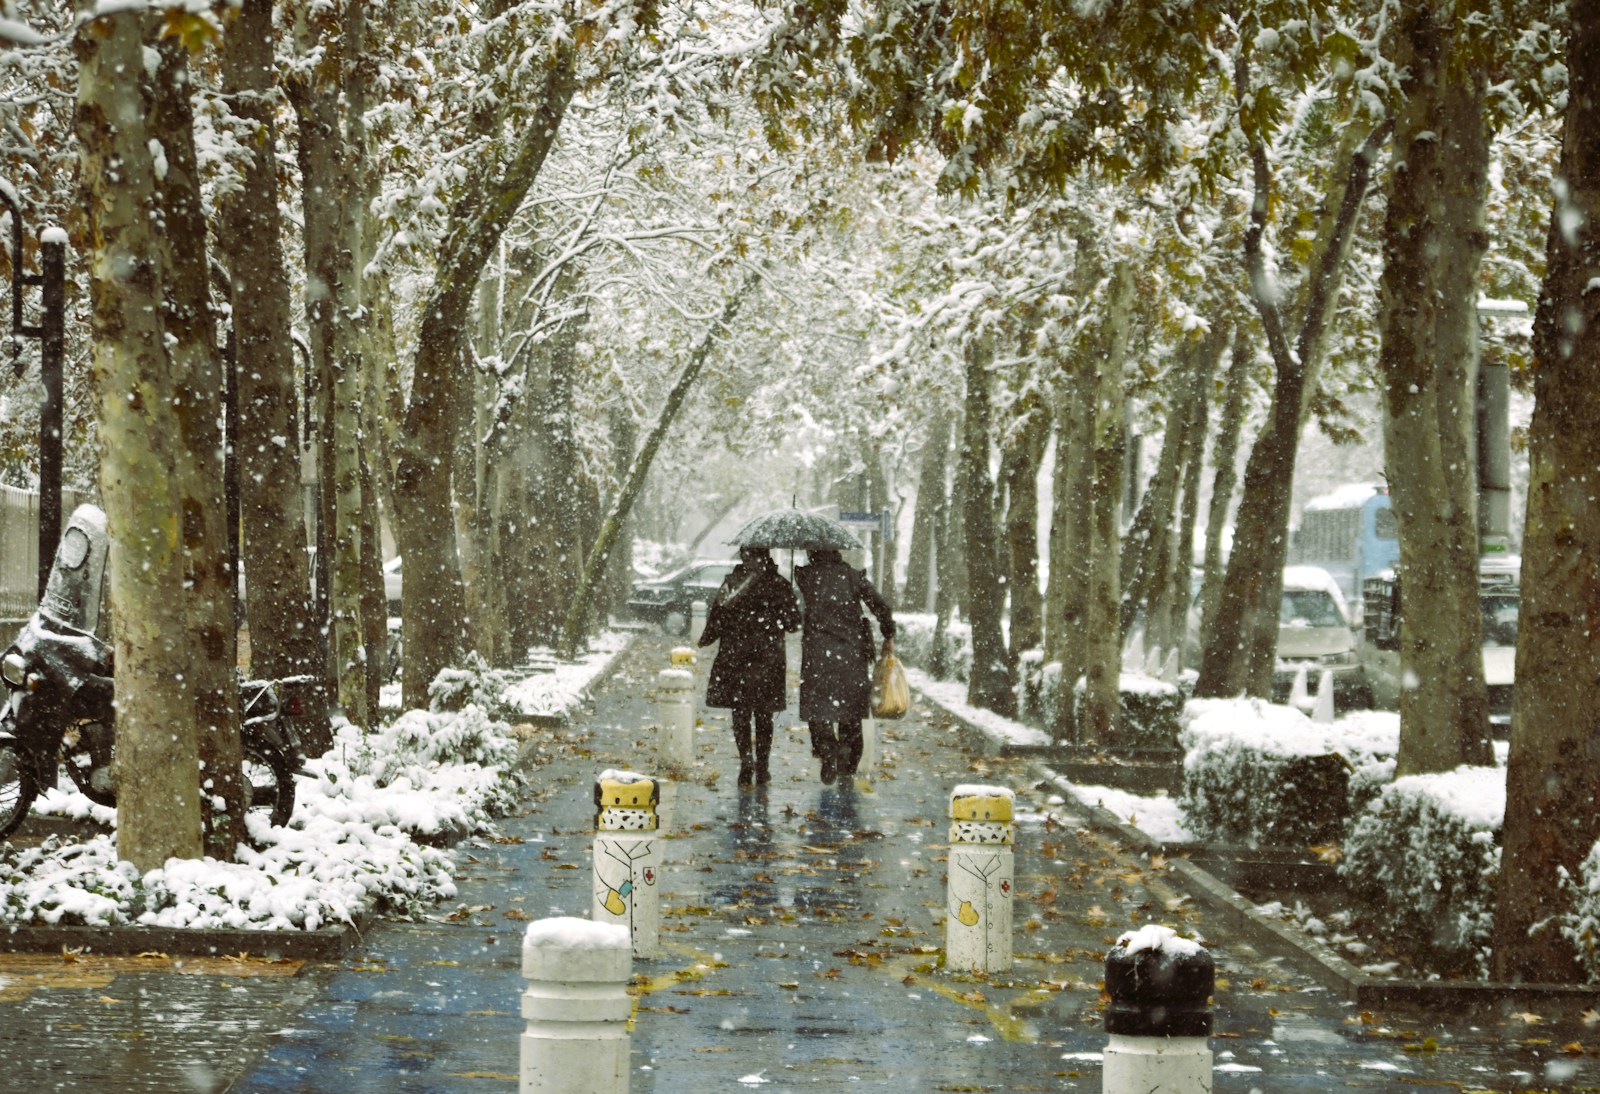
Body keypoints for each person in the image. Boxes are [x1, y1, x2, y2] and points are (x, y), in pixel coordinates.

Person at [697, 546, 801, 787]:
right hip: (768, 658)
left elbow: (718, 616)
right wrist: (785, 608)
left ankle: (746, 762)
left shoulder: (733, 583)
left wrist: (706, 638)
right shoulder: (779, 585)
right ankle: (763, 767)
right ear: (767, 556)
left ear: (744, 557)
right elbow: (793, 624)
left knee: (740, 712)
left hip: (736, 656)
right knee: (764, 714)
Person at [795, 547, 894, 785]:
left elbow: (796, 610)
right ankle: (847, 760)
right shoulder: (853, 577)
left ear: (812, 552)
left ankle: (827, 749)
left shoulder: (807, 577)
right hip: (851, 655)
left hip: (818, 655)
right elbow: (881, 606)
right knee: (850, 712)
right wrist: (888, 634)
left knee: (818, 710)